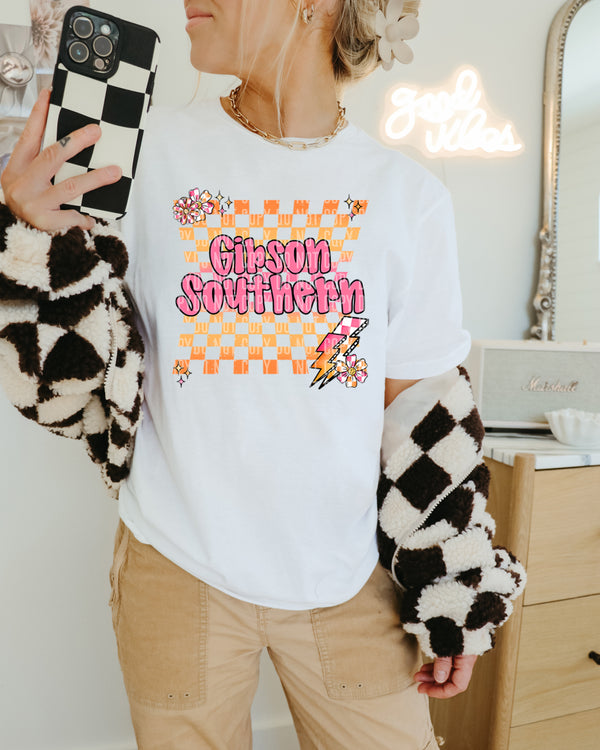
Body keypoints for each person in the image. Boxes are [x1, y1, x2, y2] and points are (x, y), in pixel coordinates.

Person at [0, 1, 527, 748]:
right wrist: (32, 246)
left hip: (350, 576)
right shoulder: (138, 157)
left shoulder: (407, 195)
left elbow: (423, 414)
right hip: (177, 565)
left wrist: (453, 589)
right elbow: (67, 391)